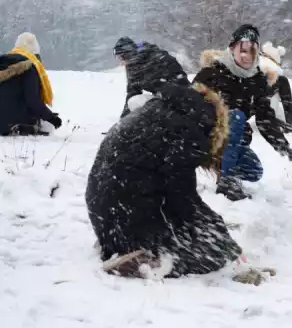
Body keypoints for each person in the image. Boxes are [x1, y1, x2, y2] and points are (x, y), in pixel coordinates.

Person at [86, 81, 242, 278]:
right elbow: (185, 200)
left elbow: (168, 186)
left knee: (183, 226)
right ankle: (151, 262)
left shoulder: (162, 109)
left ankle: (118, 242)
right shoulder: (191, 134)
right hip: (129, 209)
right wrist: (220, 237)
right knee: (213, 255)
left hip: (103, 211)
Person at [193, 24, 292, 201]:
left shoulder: (257, 80)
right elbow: (187, 102)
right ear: (232, 48)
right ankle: (227, 180)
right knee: (235, 116)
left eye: (252, 51)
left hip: (233, 144)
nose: (247, 56)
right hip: (206, 139)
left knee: (254, 171)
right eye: (243, 50)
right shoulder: (212, 73)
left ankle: (228, 172)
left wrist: (283, 146)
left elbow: (265, 118)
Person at [0, 32, 62, 136]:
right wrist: (52, 118)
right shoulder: (29, 67)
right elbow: (33, 101)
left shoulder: (2, 63)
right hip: (16, 126)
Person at [113, 37, 190, 119]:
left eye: (122, 57)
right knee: (134, 101)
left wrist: (163, 94)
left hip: (179, 97)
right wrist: (123, 121)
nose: (121, 63)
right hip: (159, 100)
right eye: (118, 58)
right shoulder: (131, 66)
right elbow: (132, 92)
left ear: (129, 53)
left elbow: (180, 80)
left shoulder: (158, 57)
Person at [259, 41, 292, 133]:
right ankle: (288, 119)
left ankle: (281, 120)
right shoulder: (267, 65)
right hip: (254, 99)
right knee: (283, 81)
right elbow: (277, 73)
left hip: (245, 101)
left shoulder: (258, 61)